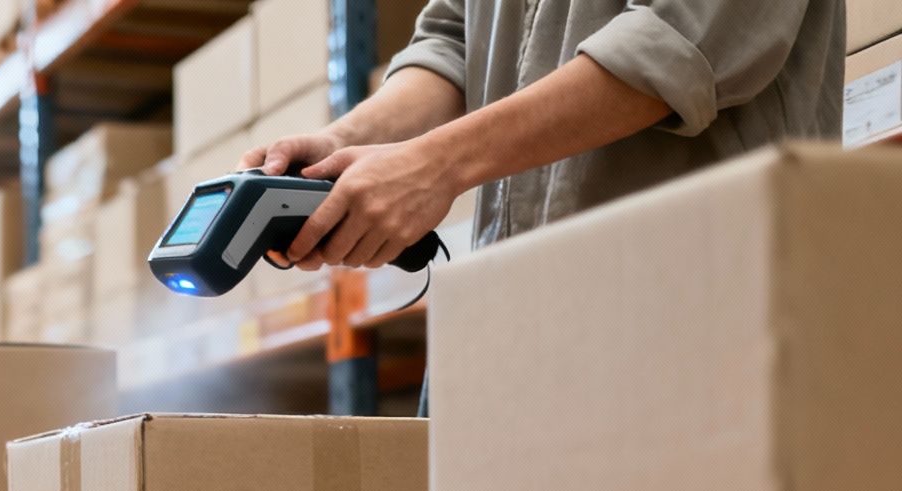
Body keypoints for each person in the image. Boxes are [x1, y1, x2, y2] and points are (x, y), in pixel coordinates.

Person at [242, 0, 845, 272]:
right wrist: (346, 141)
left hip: (709, 292)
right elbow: (453, 36)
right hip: (522, 299)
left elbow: (679, 45)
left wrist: (435, 166)